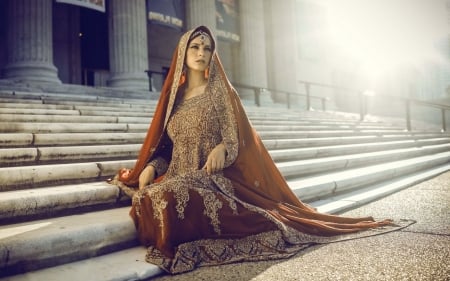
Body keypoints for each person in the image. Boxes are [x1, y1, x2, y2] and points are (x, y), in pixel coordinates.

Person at [111, 26, 399, 274]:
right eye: (195, 47)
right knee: (148, 196)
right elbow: (167, 149)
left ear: (213, 54)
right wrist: (153, 167)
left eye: (207, 48)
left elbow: (237, 139)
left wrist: (224, 147)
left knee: (167, 195)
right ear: (183, 52)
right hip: (178, 175)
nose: (201, 53)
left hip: (213, 179)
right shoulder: (175, 100)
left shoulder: (220, 91)